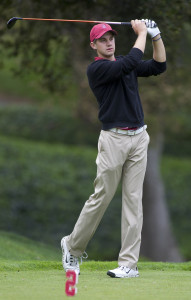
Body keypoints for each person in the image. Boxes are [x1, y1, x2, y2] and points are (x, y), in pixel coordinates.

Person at [61, 19, 166, 278]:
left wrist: (156, 36)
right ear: (93, 44)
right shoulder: (97, 70)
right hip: (113, 140)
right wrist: (141, 32)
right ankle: (72, 247)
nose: (108, 43)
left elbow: (158, 66)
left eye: (111, 38)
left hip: (139, 137)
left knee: (133, 200)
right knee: (102, 196)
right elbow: (130, 62)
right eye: (103, 40)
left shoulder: (124, 63)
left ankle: (128, 264)